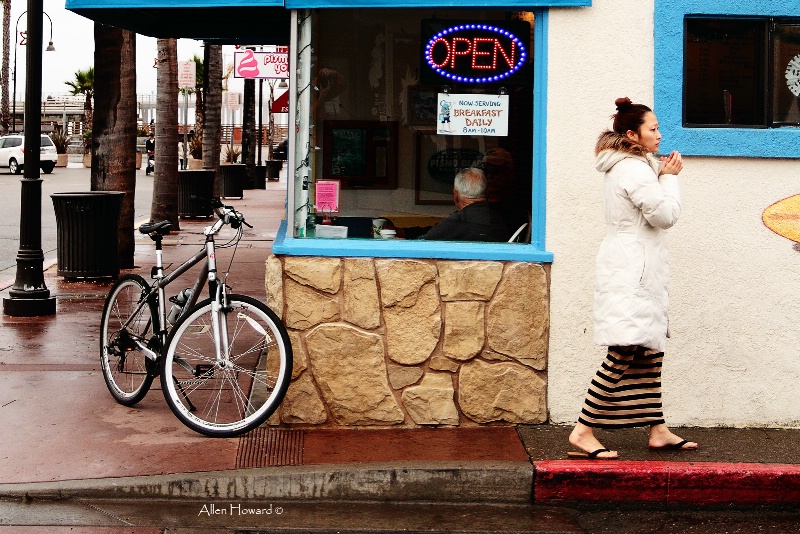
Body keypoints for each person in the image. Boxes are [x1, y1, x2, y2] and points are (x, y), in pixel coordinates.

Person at [568, 97, 695, 460]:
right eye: (652, 129)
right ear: (632, 134)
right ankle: (582, 430)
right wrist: (670, 180)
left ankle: (658, 430)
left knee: (649, 350)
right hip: (633, 271)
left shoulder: (630, 165)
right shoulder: (635, 170)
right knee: (624, 349)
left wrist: (660, 174)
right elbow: (665, 216)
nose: (659, 134)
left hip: (634, 266)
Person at [420, 167, 508, 242]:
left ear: (456, 194)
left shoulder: (459, 221)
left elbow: (420, 245)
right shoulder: (498, 220)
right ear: (486, 192)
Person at [481, 147, 530, 240]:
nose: (489, 176)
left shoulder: (516, 210)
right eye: (486, 171)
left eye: (495, 171)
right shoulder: (477, 205)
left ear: (509, 174)